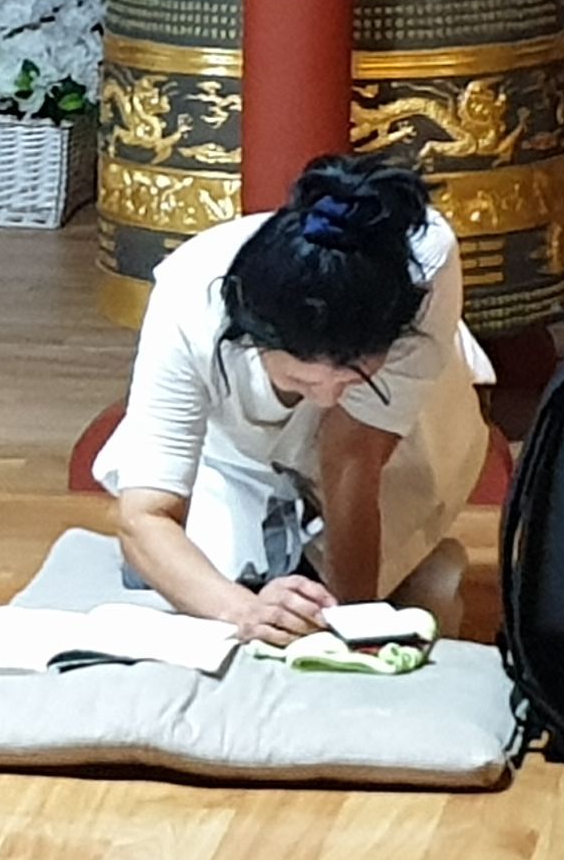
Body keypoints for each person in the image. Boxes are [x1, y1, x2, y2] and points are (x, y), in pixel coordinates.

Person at [92, 153, 496, 646]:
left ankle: (418, 571)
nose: (325, 397)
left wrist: (353, 626)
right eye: (303, 380)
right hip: (235, 445)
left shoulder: (423, 265)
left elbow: (352, 457)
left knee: (324, 598)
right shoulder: (189, 299)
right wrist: (243, 611)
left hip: (400, 440)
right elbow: (146, 514)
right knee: (198, 583)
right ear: (251, 337)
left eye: (348, 379)